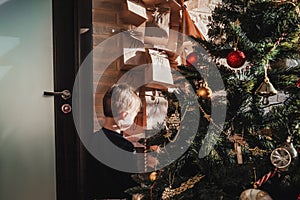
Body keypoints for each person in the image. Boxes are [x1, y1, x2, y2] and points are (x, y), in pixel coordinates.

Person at [86, 83, 142, 200]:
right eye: (134, 116)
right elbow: (132, 185)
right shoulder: (125, 146)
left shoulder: (92, 139)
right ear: (124, 115)